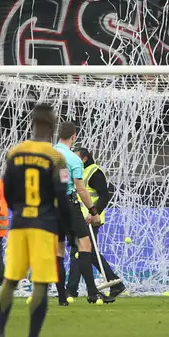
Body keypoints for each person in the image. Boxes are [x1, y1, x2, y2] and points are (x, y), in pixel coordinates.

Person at [0, 104, 74, 337]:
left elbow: (6, 189)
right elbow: (62, 194)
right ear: (53, 126)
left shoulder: (15, 153)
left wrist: (19, 209)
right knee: (40, 283)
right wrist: (67, 227)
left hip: (18, 224)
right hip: (44, 225)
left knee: (10, 280)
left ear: (32, 123)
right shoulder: (56, 158)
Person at [54, 122, 113, 305]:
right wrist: (93, 211)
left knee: (59, 250)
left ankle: (62, 297)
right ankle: (92, 293)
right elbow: (80, 189)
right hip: (68, 205)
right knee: (85, 245)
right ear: (74, 137)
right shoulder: (73, 159)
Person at [67, 147, 125, 298]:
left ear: (85, 158)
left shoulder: (94, 172)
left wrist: (94, 213)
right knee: (85, 253)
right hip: (79, 218)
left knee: (80, 252)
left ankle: (71, 290)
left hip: (90, 219)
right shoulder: (78, 173)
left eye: (76, 158)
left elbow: (104, 196)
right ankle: (115, 283)